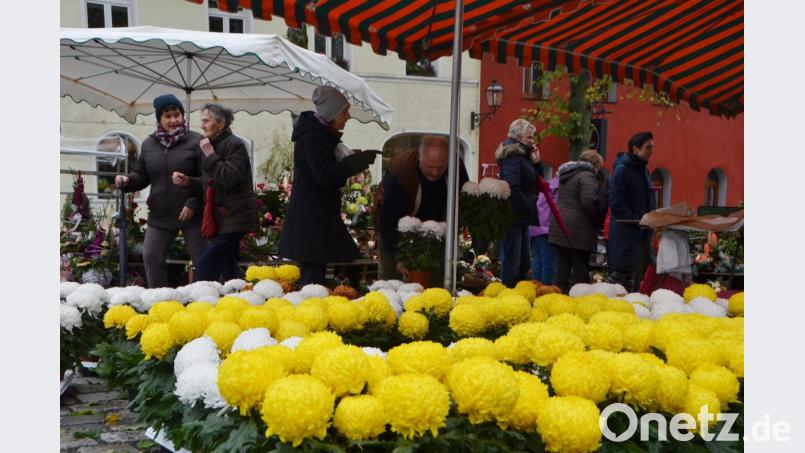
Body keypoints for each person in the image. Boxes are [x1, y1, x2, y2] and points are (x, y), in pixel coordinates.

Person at [277, 86, 379, 285]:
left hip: (316, 217)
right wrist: (354, 163)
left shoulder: (318, 135)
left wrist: (350, 160)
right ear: (331, 113)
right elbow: (326, 176)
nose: (348, 116)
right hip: (313, 218)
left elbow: (325, 171)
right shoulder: (313, 137)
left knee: (316, 273)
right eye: (344, 111)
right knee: (313, 278)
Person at [115, 94, 206, 288]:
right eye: (167, 116)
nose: (173, 120)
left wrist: (193, 203)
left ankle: (207, 300)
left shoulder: (196, 141)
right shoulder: (149, 144)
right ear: (159, 119)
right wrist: (128, 180)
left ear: (183, 116)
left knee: (203, 260)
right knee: (151, 257)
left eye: (177, 115)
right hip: (160, 214)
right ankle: (159, 299)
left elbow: (208, 179)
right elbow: (142, 175)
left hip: (192, 214)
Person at [172, 103, 258, 282]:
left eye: (206, 121)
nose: (202, 126)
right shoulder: (209, 145)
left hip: (235, 217)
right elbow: (210, 184)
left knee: (206, 264)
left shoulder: (234, 145)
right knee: (228, 267)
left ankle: (197, 296)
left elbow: (229, 178)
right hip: (219, 219)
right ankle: (236, 294)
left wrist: (210, 155)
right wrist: (188, 181)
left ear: (221, 123)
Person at [376, 134, 469, 285]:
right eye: (430, 167)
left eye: (441, 167)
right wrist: (398, 258)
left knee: (435, 281)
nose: (435, 172)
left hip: (436, 231)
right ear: (420, 156)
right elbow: (388, 221)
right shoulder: (400, 171)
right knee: (392, 281)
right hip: (398, 228)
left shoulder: (456, 166)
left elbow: (463, 200)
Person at [549, 150, 606, 292]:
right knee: (580, 269)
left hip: (560, 225)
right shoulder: (587, 175)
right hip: (578, 229)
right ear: (595, 164)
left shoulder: (568, 174)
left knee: (562, 269)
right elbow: (588, 201)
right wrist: (597, 219)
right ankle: (579, 299)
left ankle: (555, 298)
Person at [496, 119, 543, 287]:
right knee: (514, 262)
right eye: (528, 137)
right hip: (514, 214)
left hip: (520, 214)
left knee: (522, 262)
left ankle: (517, 293)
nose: (532, 140)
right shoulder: (512, 155)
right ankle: (508, 295)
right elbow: (512, 186)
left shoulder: (522, 155)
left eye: (532, 137)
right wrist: (525, 207)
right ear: (517, 136)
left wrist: (537, 162)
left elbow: (537, 180)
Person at [607, 131, 657, 292]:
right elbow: (616, 201)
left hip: (642, 232)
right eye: (648, 147)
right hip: (626, 232)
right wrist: (635, 220)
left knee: (637, 278)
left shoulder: (644, 170)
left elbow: (648, 198)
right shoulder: (622, 170)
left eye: (652, 147)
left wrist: (652, 217)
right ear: (636, 149)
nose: (652, 151)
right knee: (620, 280)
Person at [529, 174, 558, 284]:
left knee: (538, 260)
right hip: (547, 228)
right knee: (548, 261)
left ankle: (536, 288)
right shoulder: (558, 187)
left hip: (536, 227)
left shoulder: (549, 184)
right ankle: (547, 289)